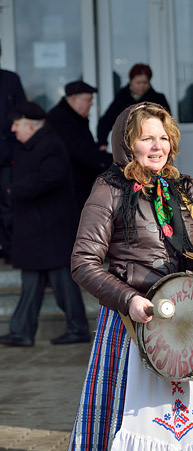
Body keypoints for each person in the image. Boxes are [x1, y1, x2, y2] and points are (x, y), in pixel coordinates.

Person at [65, 103, 193, 451]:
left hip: (187, 323)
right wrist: (127, 300)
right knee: (132, 420)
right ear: (128, 145)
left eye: (163, 138)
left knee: (187, 423)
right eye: (147, 138)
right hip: (132, 322)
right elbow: (82, 263)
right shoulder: (108, 189)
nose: (158, 147)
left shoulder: (184, 188)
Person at [0, 102, 88, 347]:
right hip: (34, 229)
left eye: (17, 123)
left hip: (51, 230)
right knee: (31, 283)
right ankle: (22, 331)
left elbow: (49, 178)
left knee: (63, 283)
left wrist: (14, 189)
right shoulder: (26, 146)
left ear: (30, 124)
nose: (13, 128)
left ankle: (78, 328)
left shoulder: (51, 146)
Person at [47, 80, 112, 211]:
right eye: (89, 99)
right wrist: (110, 161)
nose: (91, 103)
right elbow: (81, 151)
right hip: (69, 192)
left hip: (77, 188)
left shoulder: (74, 118)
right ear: (74, 98)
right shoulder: (60, 119)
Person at [97, 63, 171, 149]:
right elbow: (106, 121)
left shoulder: (158, 99)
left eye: (145, 82)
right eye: (138, 82)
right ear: (131, 81)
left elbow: (168, 123)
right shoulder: (122, 98)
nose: (141, 86)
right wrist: (102, 143)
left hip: (153, 145)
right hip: (128, 146)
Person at [0, 39, 27, 263]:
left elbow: (23, 114)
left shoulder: (10, 81)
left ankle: (10, 251)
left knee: (9, 206)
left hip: (8, 155)